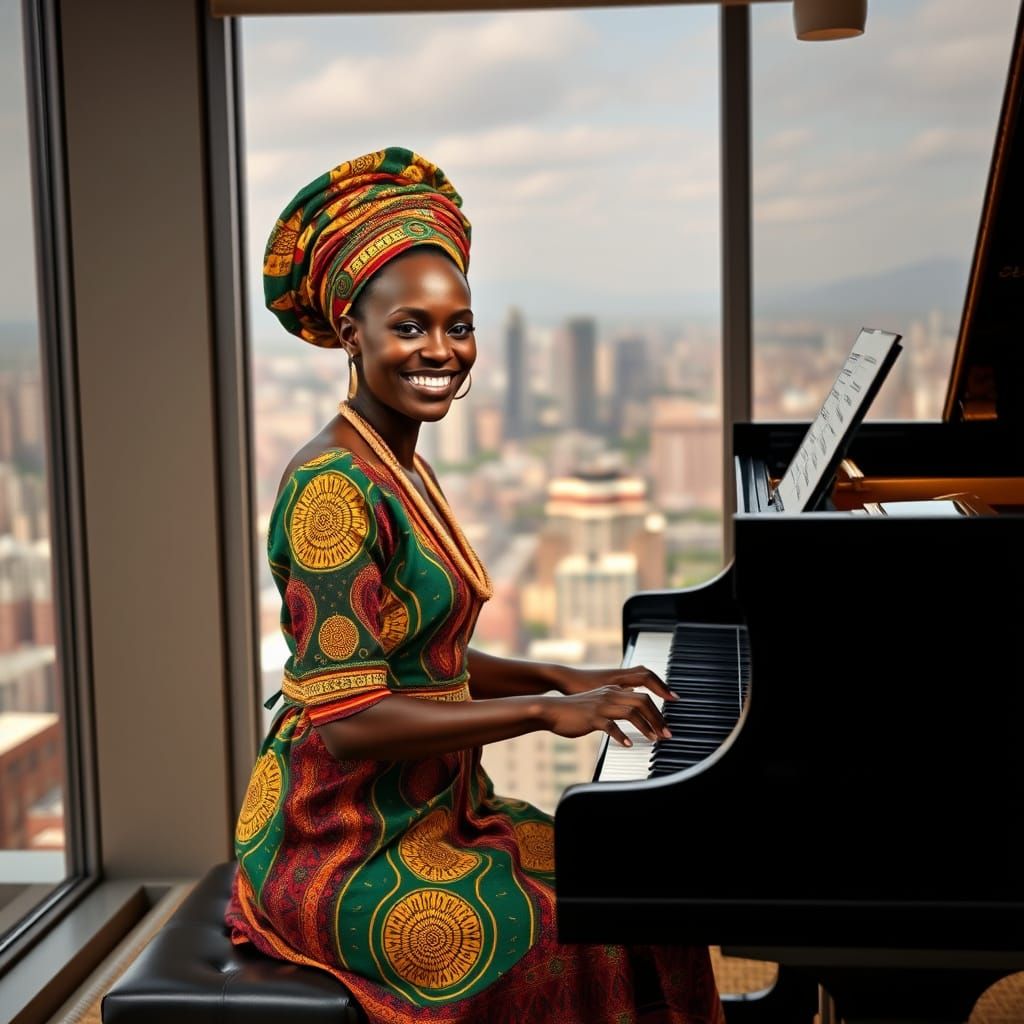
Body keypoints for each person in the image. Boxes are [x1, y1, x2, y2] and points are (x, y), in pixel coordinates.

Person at [225, 146, 725, 1024]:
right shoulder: (332, 490)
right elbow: (352, 722)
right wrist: (545, 711)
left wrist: (561, 675)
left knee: (636, 882)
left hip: (439, 807)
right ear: (351, 334)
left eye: (458, 326)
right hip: (341, 841)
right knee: (567, 931)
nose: (441, 350)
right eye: (409, 326)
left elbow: (426, 657)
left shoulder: (400, 464)